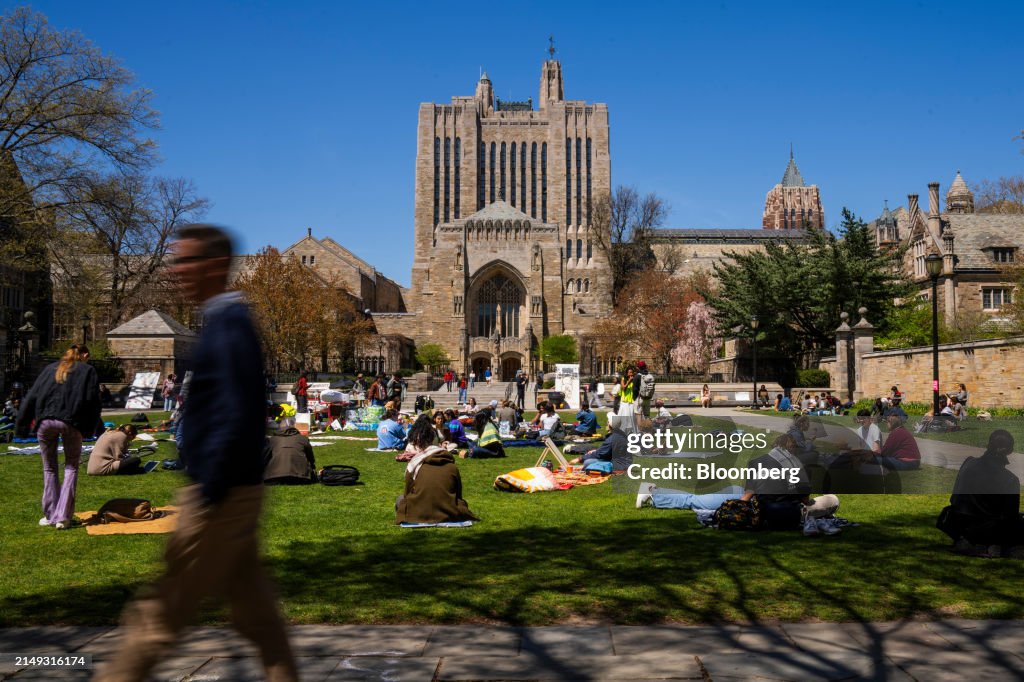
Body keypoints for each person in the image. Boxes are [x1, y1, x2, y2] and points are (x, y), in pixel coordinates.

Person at [100, 224, 297, 682]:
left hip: (220, 497)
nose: (176, 272)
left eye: (184, 262)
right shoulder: (225, 321)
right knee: (261, 622)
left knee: (158, 618)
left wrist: (210, 490)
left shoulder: (228, 326)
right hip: (236, 490)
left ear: (212, 265)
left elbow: (233, 413)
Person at [16, 344, 100, 530]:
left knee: (49, 468)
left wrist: (22, 424)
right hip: (71, 421)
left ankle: (50, 514)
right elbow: (93, 400)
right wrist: (93, 428)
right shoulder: (87, 370)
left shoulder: (50, 369)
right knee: (71, 467)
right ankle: (63, 516)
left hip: (45, 421)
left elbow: (32, 396)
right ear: (84, 354)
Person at [937, 430, 1024, 557]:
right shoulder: (1010, 479)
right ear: (1008, 450)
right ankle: (994, 546)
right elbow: (1010, 516)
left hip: (957, 522)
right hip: (985, 527)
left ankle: (971, 542)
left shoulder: (968, 463)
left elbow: (954, 498)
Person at [741, 434, 840, 535]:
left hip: (762, 513)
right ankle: (813, 520)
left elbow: (748, 494)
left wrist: (738, 509)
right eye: (795, 447)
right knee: (833, 499)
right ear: (792, 447)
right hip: (788, 513)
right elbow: (805, 500)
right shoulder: (797, 464)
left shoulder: (755, 462)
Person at [395, 418, 478, 525]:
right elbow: (458, 494)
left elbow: (407, 493)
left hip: (419, 513)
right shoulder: (452, 466)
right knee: (463, 503)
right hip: (449, 512)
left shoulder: (413, 464)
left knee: (400, 499)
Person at [263, 410, 317, 485]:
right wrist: (313, 467)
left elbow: (265, 457)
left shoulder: (273, 439)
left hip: (275, 475)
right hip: (300, 476)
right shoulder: (302, 438)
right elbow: (310, 458)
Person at [87, 424, 157, 476]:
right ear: (130, 433)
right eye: (133, 438)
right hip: (102, 468)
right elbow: (119, 457)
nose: (131, 440)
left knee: (131, 462)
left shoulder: (109, 433)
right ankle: (140, 470)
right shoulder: (122, 436)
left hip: (92, 468)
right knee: (136, 460)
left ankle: (137, 470)